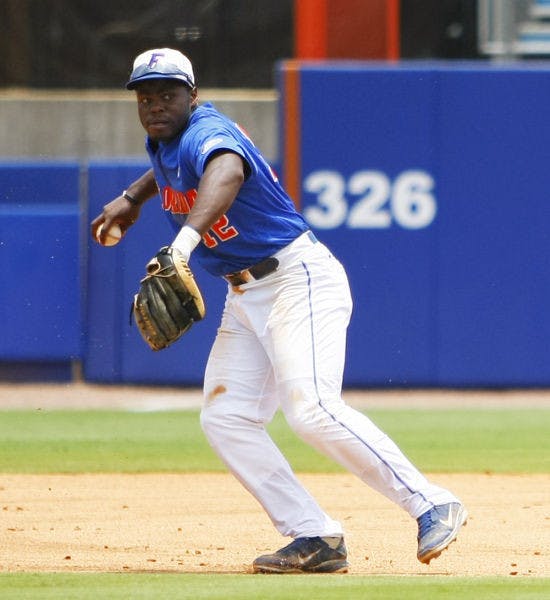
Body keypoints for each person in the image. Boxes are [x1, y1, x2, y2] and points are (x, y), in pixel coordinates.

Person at [91, 48, 467, 574]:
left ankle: (431, 502)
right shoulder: (165, 140)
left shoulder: (206, 132)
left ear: (193, 96)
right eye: (145, 95)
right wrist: (132, 195)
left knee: (311, 409)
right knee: (227, 418)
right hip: (243, 295)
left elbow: (225, 170)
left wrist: (183, 244)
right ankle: (315, 536)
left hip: (295, 278)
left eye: (168, 94)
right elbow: (169, 168)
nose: (155, 104)